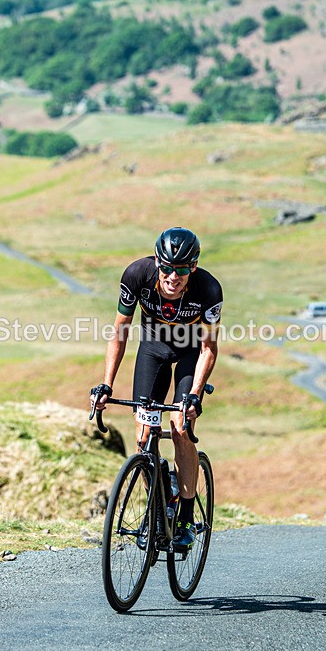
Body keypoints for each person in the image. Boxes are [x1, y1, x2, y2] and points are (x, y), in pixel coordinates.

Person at [90, 227, 223, 551]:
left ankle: (186, 518)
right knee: (143, 436)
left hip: (191, 352)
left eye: (181, 269)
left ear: (193, 267)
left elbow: (208, 347)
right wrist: (107, 383)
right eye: (167, 267)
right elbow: (119, 332)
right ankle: (160, 492)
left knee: (180, 427)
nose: (172, 276)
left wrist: (194, 395)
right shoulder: (137, 275)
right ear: (156, 262)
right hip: (153, 348)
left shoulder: (208, 289)